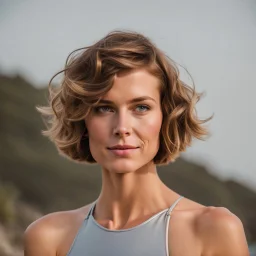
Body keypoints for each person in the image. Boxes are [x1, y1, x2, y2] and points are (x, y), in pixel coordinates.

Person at [24, 30, 249, 256]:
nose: (122, 127)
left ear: (166, 116)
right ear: (83, 120)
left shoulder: (213, 229)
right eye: (104, 108)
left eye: (141, 107)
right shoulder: (48, 237)